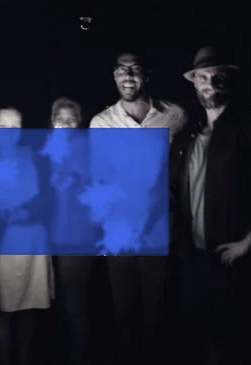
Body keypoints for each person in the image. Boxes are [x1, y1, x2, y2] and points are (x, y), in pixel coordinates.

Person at [89, 50, 187, 365]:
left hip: (160, 228)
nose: (128, 76)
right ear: (114, 75)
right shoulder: (101, 123)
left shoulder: (175, 116)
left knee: (155, 307)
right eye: (121, 70)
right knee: (122, 308)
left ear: (147, 74)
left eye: (134, 69)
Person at [171, 46, 251, 365]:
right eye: (203, 77)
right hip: (194, 259)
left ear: (228, 82)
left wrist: (248, 243)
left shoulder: (250, 129)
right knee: (197, 335)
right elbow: (171, 191)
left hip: (233, 260)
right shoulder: (187, 136)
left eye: (217, 77)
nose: (210, 83)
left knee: (232, 341)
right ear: (194, 83)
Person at [0, 107, 54, 365]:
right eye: (3, 126)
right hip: (4, 244)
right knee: (3, 308)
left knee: (29, 307)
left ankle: (23, 359)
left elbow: (48, 194)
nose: (8, 132)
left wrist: (26, 210)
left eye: (15, 127)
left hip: (34, 240)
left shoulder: (34, 157)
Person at [48, 97, 102, 365]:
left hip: (77, 238)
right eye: (60, 119)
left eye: (71, 119)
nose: (66, 124)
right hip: (56, 237)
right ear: (52, 122)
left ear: (79, 122)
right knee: (65, 303)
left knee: (75, 304)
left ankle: (79, 356)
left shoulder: (84, 148)